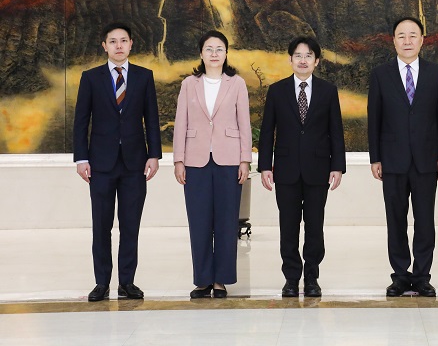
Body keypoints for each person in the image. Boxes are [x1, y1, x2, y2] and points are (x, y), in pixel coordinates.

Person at [73, 22, 162, 302]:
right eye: (113, 41)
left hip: (135, 163)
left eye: (123, 40)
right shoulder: (91, 77)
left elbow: (152, 119)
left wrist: (154, 155)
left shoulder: (144, 76)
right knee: (101, 225)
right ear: (104, 46)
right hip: (100, 163)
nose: (119, 46)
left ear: (131, 44)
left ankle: (127, 282)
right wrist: (81, 158)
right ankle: (101, 283)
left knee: (130, 225)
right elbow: (81, 121)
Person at [368, 16, 438, 297]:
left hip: (427, 159)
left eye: (413, 35)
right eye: (401, 36)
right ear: (393, 40)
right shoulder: (380, 74)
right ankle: (401, 276)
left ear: (422, 40)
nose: (407, 41)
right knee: (396, 220)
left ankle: (422, 276)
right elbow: (374, 118)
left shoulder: (436, 73)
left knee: (425, 220)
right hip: (392, 160)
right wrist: (375, 158)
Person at [258, 36, 346, 298]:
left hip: (318, 169)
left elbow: (336, 131)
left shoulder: (328, 91)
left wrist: (337, 166)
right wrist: (265, 166)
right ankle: (291, 277)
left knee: (315, 225)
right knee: (288, 225)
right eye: (298, 55)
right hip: (285, 170)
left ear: (316, 61)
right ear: (290, 60)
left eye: (308, 56)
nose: (303, 60)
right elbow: (267, 131)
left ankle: (311, 277)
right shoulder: (277, 91)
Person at [173, 30, 252, 299]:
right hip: (195, 161)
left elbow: (244, 124)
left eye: (219, 49)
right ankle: (203, 279)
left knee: (227, 222)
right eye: (209, 49)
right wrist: (179, 160)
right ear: (201, 53)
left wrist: (245, 160)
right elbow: (181, 122)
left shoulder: (237, 83)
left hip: (229, 159)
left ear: (226, 53)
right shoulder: (189, 84)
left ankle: (221, 280)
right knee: (199, 221)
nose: (214, 54)